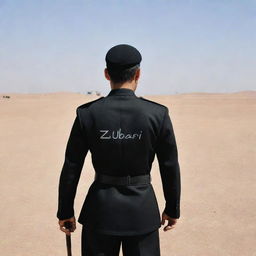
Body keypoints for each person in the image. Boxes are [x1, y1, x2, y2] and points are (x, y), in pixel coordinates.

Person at [57, 44, 181, 256]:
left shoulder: (88, 114)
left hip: (100, 212)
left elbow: (72, 166)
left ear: (106, 74)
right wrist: (172, 208)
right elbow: (169, 165)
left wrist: (65, 211)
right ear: (138, 74)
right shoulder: (157, 114)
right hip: (142, 212)